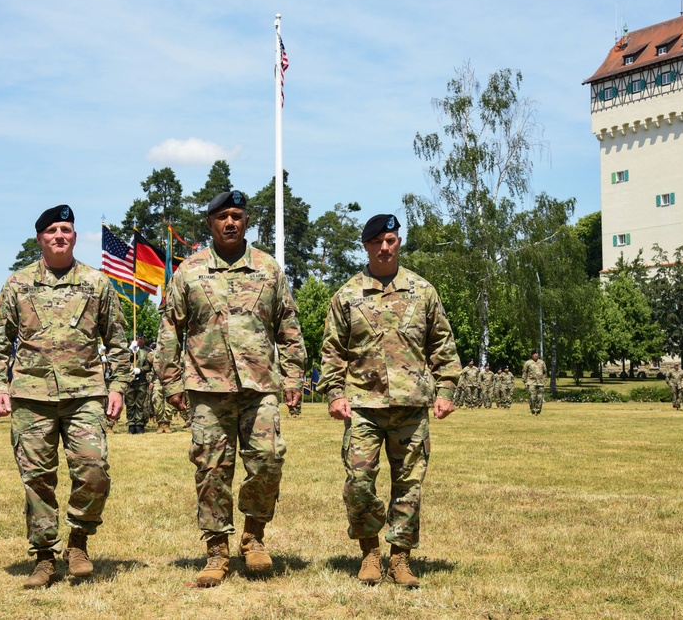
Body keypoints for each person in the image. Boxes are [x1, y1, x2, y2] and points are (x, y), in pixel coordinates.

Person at [155, 190, 306, 587]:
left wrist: (293, 377)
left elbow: (288, 327)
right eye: (222, 216)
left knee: (269, 460)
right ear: (210, 223)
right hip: (207, 387)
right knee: (211, 470)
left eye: (237, 216)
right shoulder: (188, 272)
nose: (230, 223)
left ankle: (254, 536)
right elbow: (170, 328)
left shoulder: (269, 269)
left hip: (260, 386)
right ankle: (217, 549)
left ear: (246, 221)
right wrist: (171, 381)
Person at [0, 204, 132, 589]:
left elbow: (117, 341)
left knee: (93, 469)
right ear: (40, 238)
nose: (59, 236)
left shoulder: (96, 283)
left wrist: (118, 387)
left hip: (85, 393)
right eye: (52, 230)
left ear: (75, 236)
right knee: (37, 479)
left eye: (66, 229)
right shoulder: (18, 284)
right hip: (31, 396)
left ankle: (79, 541)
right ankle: (45, 556)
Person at [320, 213, 460, 589]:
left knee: (409, 484)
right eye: (378, 241)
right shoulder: (347, 295)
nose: (385, 247)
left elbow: (442, 345)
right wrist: (334, 393)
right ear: (366, 246)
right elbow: (332, 350)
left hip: (412, 406)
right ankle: (369, 551)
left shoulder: (422, 290)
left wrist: (446, 389)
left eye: (391, 240)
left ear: (399, 243)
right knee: (359, 481)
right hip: (363, 405)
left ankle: (400, 557)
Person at [125, 333, 151, 434]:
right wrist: (130, 350)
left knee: (140, 404)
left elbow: (149, 366)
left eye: (140, 338)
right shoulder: (128, 351)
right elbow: (123, 361)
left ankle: (139, 424)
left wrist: (140, 370)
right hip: (130, 382)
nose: (138, 340)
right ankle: (131, 424)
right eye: (136, 339)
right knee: (130, 404)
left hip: (141, 381)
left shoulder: (145, 352)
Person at [522, 351, 547, 415]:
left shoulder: (542, 362)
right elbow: (524, 373)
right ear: (531, 355)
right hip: (531, 382)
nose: (535, 355)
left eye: (536, 354)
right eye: (534, 354)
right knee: (532, 397)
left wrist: (544, 381)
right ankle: (533, 410)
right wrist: (525, 382)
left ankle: (538, 411)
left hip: (540, 383)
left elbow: (545, 373)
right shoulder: (528, 363)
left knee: (540, 397)